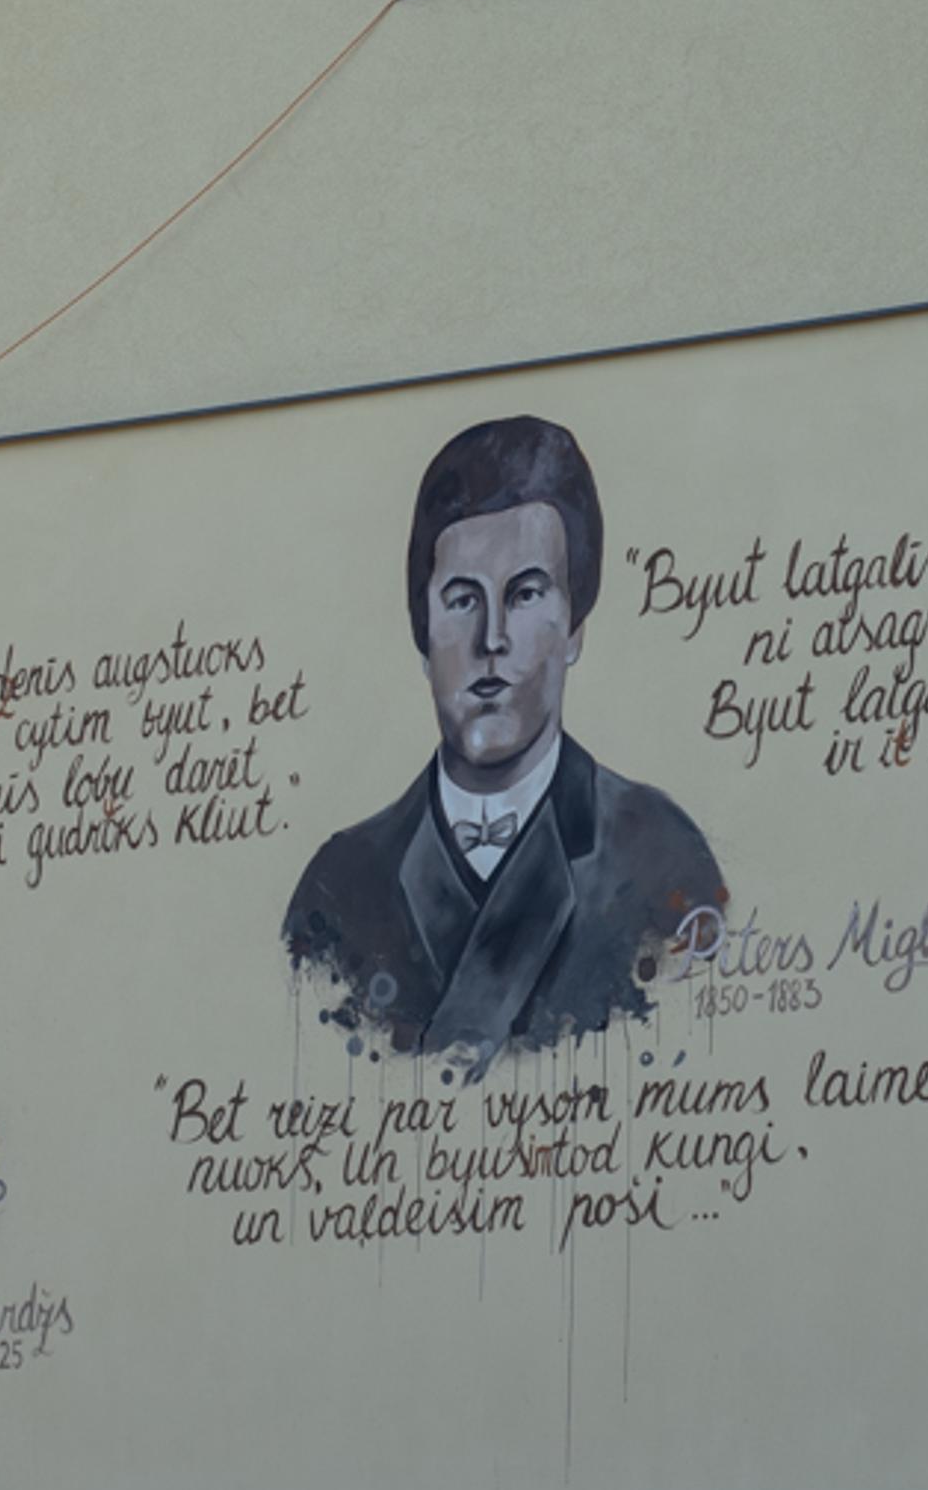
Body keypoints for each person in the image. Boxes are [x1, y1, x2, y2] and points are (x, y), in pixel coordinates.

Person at [284, 415, 726, 1065]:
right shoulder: (338, 889)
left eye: (523, 594)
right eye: (463, 599)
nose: (491, 639)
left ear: (574, 626)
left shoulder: (661, 858)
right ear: (422, 632)